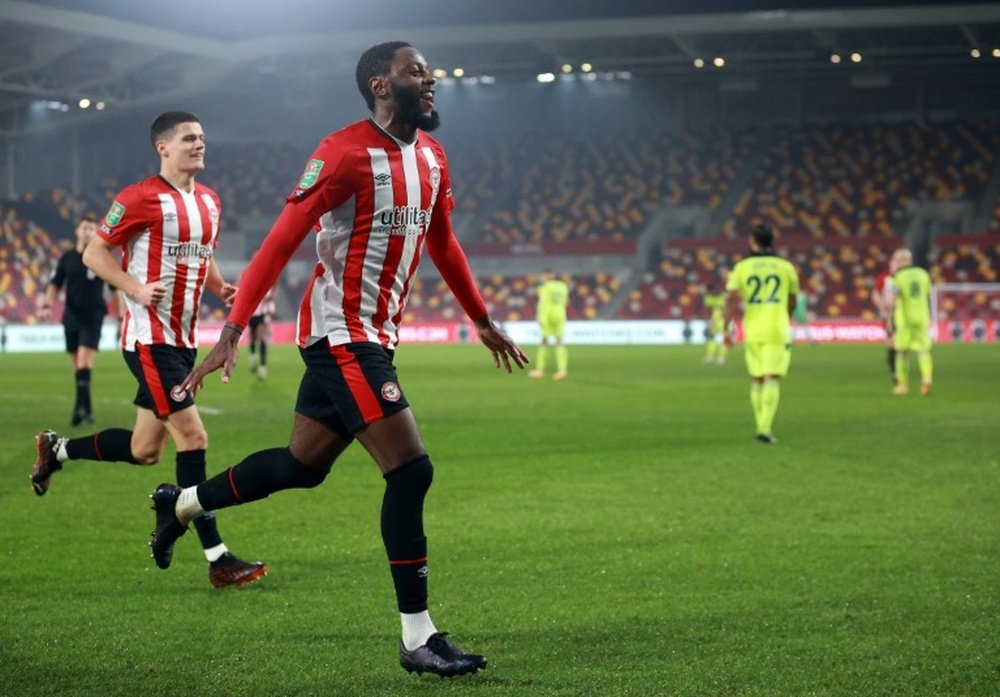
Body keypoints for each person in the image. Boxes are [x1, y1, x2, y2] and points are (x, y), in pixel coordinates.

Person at [147, 42, 528, 678]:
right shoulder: (343, 152)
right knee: (410, 472)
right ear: (381, 84)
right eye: (415, 71)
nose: (429, 78)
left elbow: (443, 242)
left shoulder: (431, 158)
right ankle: (418, 637)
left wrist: (481, 318)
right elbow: (282, 236)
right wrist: (234, 326)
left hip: (375, 334)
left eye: (428, 70)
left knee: (302, 466)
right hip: (340, 332)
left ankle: (181, 503)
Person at [29, 111, 267, 589]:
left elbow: (203, 252)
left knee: (143, 450)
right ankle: (218, 558)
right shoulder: (138, 198)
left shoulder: (211, 202)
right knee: (194, 437)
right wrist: (134, 288)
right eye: (188, 139)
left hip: (182, 340)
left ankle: (58, 450)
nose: (199, 145)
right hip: (149, 340)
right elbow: (95, 253)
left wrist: (220, 285)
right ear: (163, 147)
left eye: (202, 137)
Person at [39, 215, 120, 426]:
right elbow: (55, 284)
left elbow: (115, 290)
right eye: (84, 227)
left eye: (92, 228)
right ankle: (88, 411)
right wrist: (47, 305)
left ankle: (78, 411)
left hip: (93, 317)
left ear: (96, 232)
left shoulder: (101, 258)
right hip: (71, 316)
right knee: (78, 368)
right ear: (78, 231)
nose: (87, 232)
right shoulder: (67, 258)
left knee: (84, 362)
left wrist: (120, 318)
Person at [724, 224, 800, 444]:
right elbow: (793, 299)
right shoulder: (786, 267)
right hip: (776, 327)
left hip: (752, 328)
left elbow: (730, 299)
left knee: (757, 379)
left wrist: (727, 329)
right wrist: (786, 315)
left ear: (752, 242)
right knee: (772, 377)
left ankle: (761, 424)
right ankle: (764, 428)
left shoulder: (742, 267)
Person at [888, 248, 933, 396]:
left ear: (900, 261)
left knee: (901, 352)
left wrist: (889, 318)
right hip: (922, 317)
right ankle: (926, 379)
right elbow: (927, 296)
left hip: (904, 319)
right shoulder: (923, 274)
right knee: (923, 351)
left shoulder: (898, 277)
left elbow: (893, 299)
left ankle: (903, 385)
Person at [528, 269, 569, 380]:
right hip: (560, 313)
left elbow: (543, 302)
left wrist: (540, 316)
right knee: (559, 341)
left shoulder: (544, 286)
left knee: (544, 342)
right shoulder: (562, 286)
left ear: (545, 276)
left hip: (548, 315)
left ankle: (540, 370)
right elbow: (566, 301)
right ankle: (562, 370)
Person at [871, 262, 897, 385]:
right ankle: (893, 364)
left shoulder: (903, 278)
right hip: (889, 314)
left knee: (898, 342)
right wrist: (882, 307)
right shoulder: (884, 278)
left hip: (903, 313)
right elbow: (875, 294)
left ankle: (894, 363)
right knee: (891, 339)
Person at [247, 285, 277, 381]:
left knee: (261, 338)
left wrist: (270, 311)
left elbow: (271, 299)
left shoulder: (267, 288)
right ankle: (253, 356)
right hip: (252, 315)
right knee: (252, 337)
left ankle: (262, 367)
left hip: (262, 316)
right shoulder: (251, 286)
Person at [702, 280, 728, 365]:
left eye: (708, 291)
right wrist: (708, 320)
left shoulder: (724, 296)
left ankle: (721, 357)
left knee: (724, 338)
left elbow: (728, 308)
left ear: (712, 290)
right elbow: (707, 309)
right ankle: (710, 356)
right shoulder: (708, 297)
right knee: (712, 337)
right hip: (715, 320)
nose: (707, 293)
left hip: (724, 319)